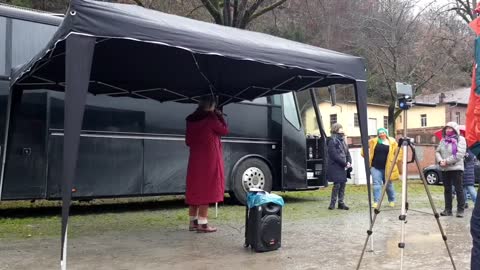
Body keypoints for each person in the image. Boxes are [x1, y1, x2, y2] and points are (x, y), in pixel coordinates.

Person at [185, 96, 228, 233]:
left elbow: (188, 141)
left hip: (195, 158)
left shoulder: (191, 119)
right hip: (209, 158)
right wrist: (219, 116)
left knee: (195, 187)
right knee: (207, 188)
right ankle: (203, 224)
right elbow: (224, 131)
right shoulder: (211, 118)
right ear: (211, 105)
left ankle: (193, 222)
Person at [362, 128, 402, 208]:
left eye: (383, 132)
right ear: (378, 134)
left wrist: (395, 160)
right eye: (380, 133)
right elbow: (364, 150)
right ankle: (376, 202)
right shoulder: (373, 141)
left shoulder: (392, 142)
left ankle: (392, 200)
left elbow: (399, 152)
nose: (382, 134)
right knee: (376, 184)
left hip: (388, 167)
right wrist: (367, 157)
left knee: (388, 185)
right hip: (375, 167)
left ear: (386, 133)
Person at [436, 122, 467, 218]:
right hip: (445, 169)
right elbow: (437, 151)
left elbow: (459, 154)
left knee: (459, 189)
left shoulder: (461, 139)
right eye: (446, 128)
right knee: (447, 189)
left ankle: (460, 210)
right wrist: (441, 161)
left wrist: (447, 161)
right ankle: (448, 210)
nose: (448, 130)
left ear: (455, 129)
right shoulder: (443, 140)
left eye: (450, 128)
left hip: (456, 168)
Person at [327, 123, 352, 210]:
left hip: (343, 166)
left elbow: (347, 153)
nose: (342, 130)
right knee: (337, 185)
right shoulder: (332, 141)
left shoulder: (343, 140)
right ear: (336, 129)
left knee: (343, 184)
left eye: (342, 128)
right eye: (340, 128)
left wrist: (349, 162)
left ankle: (341, 203)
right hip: (336, 166)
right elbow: (334, 155)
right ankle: (332, 204)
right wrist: (345, 163)